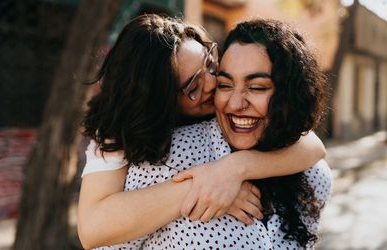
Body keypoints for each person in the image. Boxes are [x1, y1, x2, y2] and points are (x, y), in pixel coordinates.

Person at [77, 15, 327, 249]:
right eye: (193, 86)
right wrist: (203, 188)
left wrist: (234, 169)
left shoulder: (230, 107)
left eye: (209, 64)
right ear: (163, 104)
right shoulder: (127, 139)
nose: (212, 83)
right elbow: (93, 228)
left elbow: (312, 146)